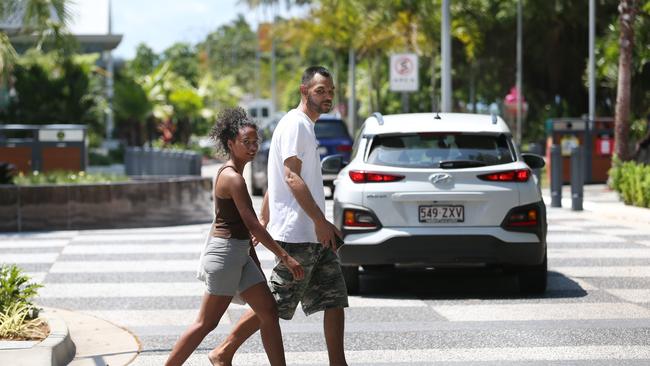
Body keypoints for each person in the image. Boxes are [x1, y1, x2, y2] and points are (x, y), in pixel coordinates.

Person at [211, 66, 349, 366]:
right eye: (320, 91)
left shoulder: (301, 125)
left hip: (313, 234)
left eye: (330, 91)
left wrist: (264, 218)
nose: (327, 96)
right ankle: (224, 351)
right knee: (273, 302)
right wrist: (320, 222)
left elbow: (275, 182)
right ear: (304, 91)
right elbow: (290, 177)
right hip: (299, 234)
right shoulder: (296, 124)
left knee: (334, 298)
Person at [165, 107, 304, 366]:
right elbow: (253, 224)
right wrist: (285, 257)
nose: (252, 147)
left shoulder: (234, 174)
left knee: (269, 312)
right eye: (246, 143)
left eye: (255, 142)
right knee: (206, 323)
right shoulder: (232, 178)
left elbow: (243, 227)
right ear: (231, 143)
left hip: (238, 253)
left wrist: (252, 259)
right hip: (225, 255)